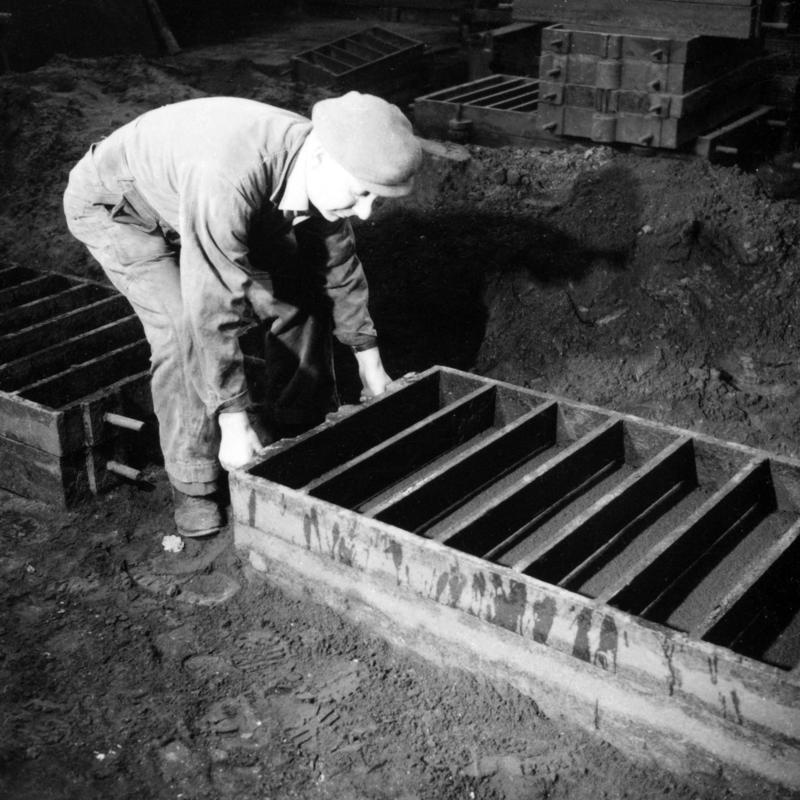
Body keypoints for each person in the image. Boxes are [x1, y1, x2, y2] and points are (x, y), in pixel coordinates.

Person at [63, 92, 423, 541]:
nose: (366, 212)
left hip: (204, 202)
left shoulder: (333, 158)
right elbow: (211, 307)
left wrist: (371, 365)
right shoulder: (230, 176)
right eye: (362, 193)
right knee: (180, 330)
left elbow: (338, 265)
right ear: (320, 159)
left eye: (376, 199)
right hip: (123, 210)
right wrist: (233, 419)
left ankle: (300, 427)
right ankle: (194, 482)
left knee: (300, 295)